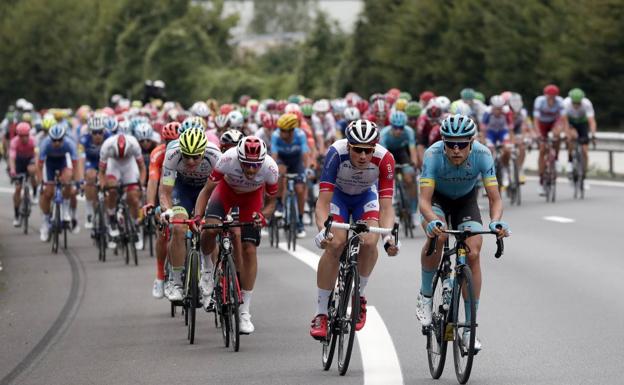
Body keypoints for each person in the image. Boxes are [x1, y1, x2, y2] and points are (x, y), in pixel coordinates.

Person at [416, 114, 510, 351]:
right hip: (437, 200)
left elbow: (495, 198)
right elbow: (424, 202)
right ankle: (425, 296)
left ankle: (469, 329)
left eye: (462, 144)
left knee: (474, 254)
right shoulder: (432, 155)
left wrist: (496, 222)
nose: (456, 149)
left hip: (466, 202)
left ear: (472, 142)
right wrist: (430, 221)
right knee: (439, 236)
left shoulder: (483, 155)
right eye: (450, 144)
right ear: (443, 142)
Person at [309, 119, 399, 339]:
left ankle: (358, 296)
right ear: (348, 146)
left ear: (374, 148)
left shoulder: (385, 158)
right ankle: (321, 314)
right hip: (338, 198)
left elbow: (387, 207)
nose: (362, 156)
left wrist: (388, 237)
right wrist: (323, 230)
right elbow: (322, 204)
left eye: (368, 151)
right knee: (336, 243)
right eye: (357, 150)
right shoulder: (335, 153)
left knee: (370, 241)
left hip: (365, 198)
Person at [195, 136, 279, 334]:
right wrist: (198, 217)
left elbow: (271, 203)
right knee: (210, 228)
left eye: (255, 165)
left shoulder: (271, 168)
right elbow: (207, 191)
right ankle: (207, 269)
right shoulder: (227, 159)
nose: (251, 170)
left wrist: (263, 216)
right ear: (239, 158)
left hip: (251, 200)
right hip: (225, 193)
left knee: (249, 249)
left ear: (263, 161)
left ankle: (244, 312)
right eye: (246, 165)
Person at [158, 128, 221, 302]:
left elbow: (222, 190)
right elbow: (165, 191)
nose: (190, 161)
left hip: (206, 190)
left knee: (210, 229)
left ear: (203, 152)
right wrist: (168, 211)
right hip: (182, 190)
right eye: (186, 156)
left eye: (196, 157)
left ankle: (213, 280)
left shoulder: (215, 155)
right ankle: (176, 282)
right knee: (178, 227)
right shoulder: (172, 154)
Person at [142, 122, 179, 299]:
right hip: (164, 193)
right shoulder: (158, 153)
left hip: (182, 191)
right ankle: (159, 276)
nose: (172, 143)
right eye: (168, 140)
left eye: (175, 139)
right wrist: (150, 203)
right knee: (162, 231)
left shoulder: (185, 151)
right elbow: (153, 181)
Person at [98, 129, 146, 250]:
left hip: (129, 166)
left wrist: (141, 182)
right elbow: (102, 172)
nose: (121, 156)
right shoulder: (107, 146)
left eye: (123, 154)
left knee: (134, 198)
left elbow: (142, 168)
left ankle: (136, 227)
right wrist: (104, 185)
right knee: (112, 190)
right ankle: (112, 217)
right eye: (119, 154)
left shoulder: (134, 144)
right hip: (113, 166)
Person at [37, 123, 80, 241]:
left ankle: (66, 210)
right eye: (54, 140)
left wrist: (77, 181)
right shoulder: (45, 144)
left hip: (63, 163)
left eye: (59, 140)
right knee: (47, 193)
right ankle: (45, 222)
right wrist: (41, 182)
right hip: (49, 164)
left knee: (67, 181)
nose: (56, 143)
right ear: (50, 138)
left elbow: (75, 165)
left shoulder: (69, 143)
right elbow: (39, 166)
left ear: (63, 138)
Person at [271, 113, 311, 238]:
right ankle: (279, 204)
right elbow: (274, 156)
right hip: (282, 160)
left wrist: (307, 169)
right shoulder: (276, 136)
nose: (281, 133)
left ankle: (299, 221)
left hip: (296, 162)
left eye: (285, 131)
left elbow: (305, 155)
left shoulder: (300, 135)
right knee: (279, 173)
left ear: (292, 130)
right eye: (281, 130)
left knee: (300, 189)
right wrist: (274, 170)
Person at [380, 110, 420, 224]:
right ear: (391, 125)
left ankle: (412, 211)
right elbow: (384, 155)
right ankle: (393, 202)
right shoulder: (384, 134)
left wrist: (414, 164)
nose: (398, 130)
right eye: (396, 127)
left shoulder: (409, 131)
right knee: (388, 175)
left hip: (402, 152)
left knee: (409, 177)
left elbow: (412, 150)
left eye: (401, 127)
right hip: (388, 153)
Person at [533, 84, 567, 195]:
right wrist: (538, 134)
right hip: (542, 124)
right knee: (542, 149)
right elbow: (536, 120)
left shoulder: (560, 101)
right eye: (549, 96)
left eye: (553, 97)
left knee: (557, 136)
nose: (551, 99)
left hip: (553, 123)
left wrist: (562, 130)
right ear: (545, 95)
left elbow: (563, 119)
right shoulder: (539, 101)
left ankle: (555, 159)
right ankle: (541, 180)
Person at [79, 115, 110, 228]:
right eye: (94, 132)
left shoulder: (109, 137)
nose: (97, 135)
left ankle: (108, 213)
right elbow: (81, 160)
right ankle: (89, 212)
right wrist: (82, 179)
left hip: (105, 163)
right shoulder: (83, 140)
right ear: (90, 132)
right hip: (91, 162)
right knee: (90, 176)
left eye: (100, 132)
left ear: (104, 131)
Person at [563, 88, 597, 181]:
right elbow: (564, 122)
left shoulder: (587, 104)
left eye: (579, 103)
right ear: (571, 100)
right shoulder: (565, 103)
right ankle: (570, 163)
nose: (577, 105)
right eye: (575, 103)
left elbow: (592, 121)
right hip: (570, 123)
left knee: (585, 150)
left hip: (582, 123)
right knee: (571, 138)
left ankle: (584, 173)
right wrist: (567, 134)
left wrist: (593, 135)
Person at [8, 122, 37, 226]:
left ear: (29, 134)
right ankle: (16, 215)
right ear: (18, 135)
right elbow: (12, 158)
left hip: (30, 159)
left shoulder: (33, 140)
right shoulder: (14, 142)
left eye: (26, 135)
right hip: (19, 162)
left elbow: (37, 155)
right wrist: (12, 171)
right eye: (21, 136)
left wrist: (37, 168)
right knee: (17, 189)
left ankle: (35, 193)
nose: (24, 138)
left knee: (32, 169)